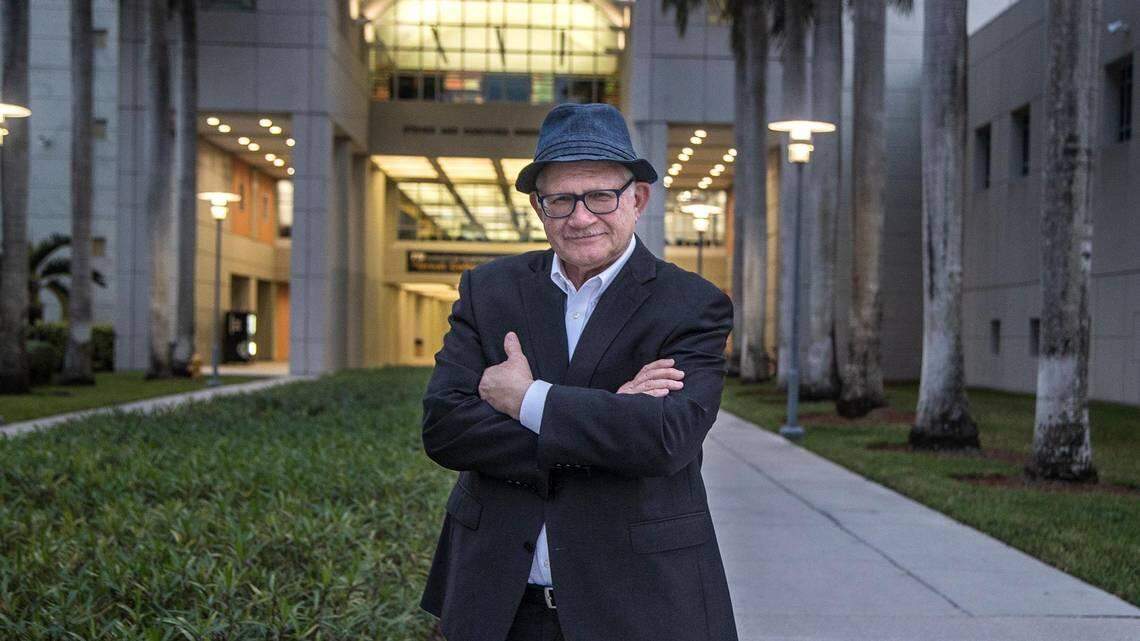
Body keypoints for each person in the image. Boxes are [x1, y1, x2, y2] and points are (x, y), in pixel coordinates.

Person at [419, 103, 738, 641]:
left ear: (638, 199)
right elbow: (445, 428)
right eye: (560, 200)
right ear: (539, 208)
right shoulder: (489, 291)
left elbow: (664, 438)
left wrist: (527, 400)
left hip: (640, 604)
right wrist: (609, 415)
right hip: (500, 604)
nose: (581, 216)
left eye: (600, 196)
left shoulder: (692, 304)